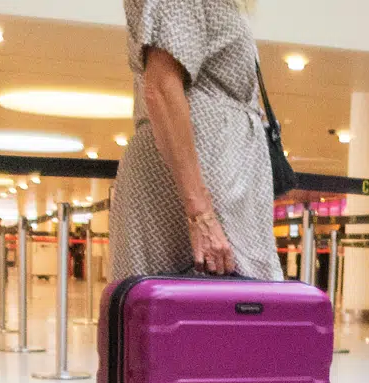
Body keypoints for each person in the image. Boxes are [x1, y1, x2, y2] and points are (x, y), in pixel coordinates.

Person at [111, 0, 279, 281]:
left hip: (220, 182)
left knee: (229, 313)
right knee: (186, 313)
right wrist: (200, 214)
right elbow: (162, 87)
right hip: (196, 186)